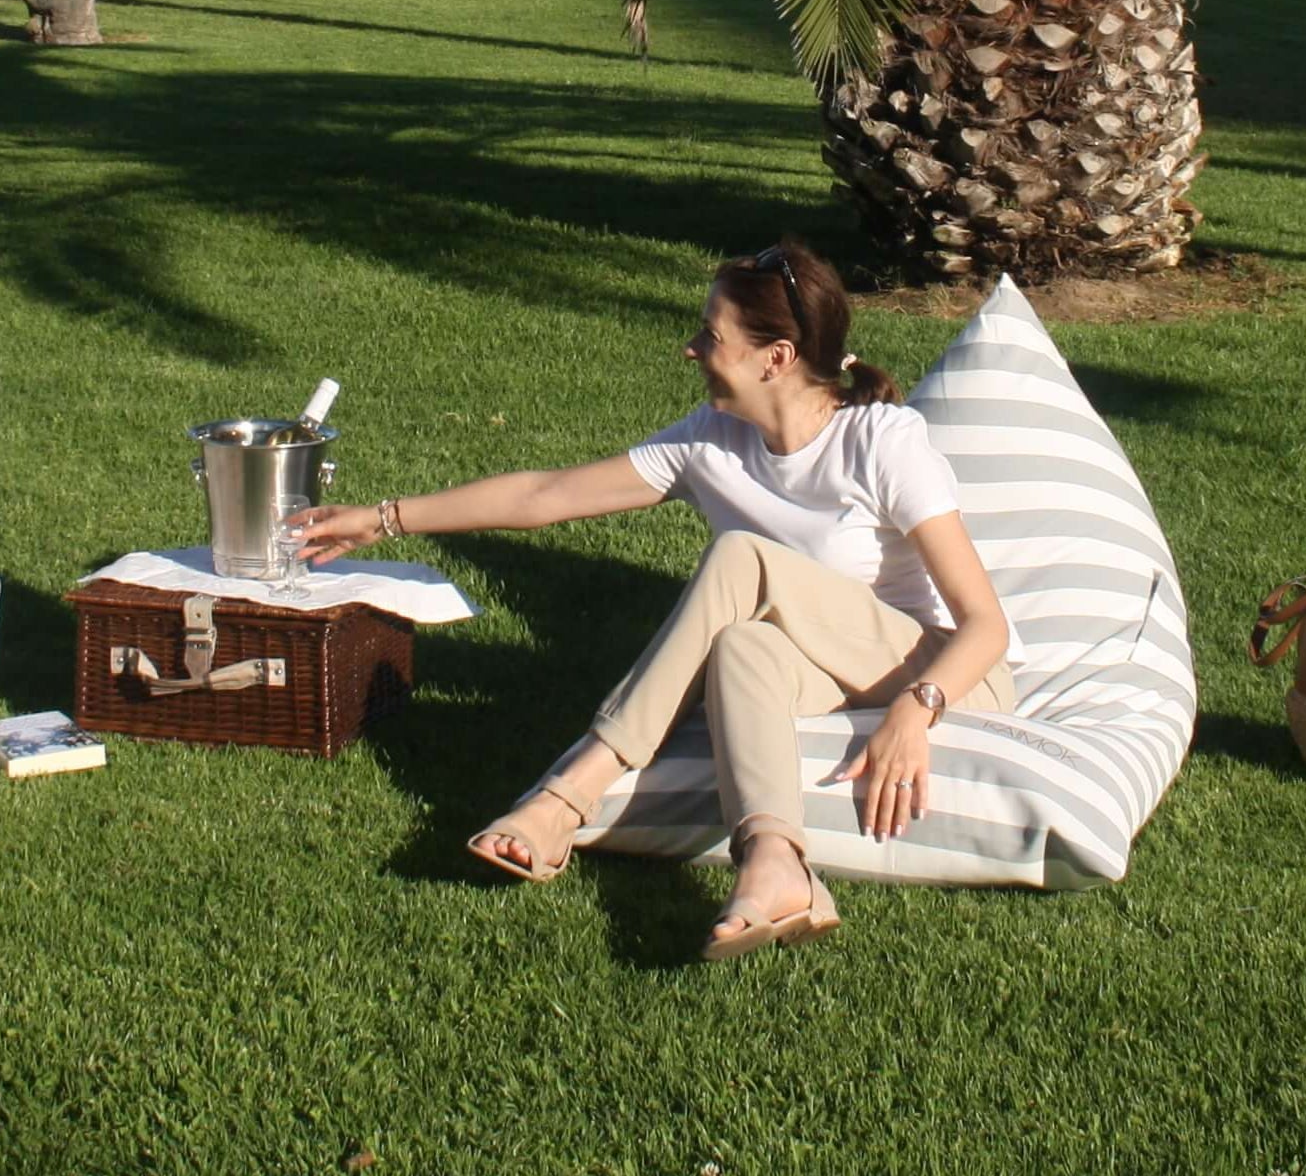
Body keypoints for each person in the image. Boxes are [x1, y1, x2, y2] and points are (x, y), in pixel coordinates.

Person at [290, 240, 1014, 962]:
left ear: (776, 358)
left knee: (742, 557)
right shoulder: (712, 440)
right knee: (742, 647)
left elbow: (985, 626)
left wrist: (915, 711)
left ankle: (569, 793)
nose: (690, 348)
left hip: (941, 671)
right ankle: (775, 863)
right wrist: (384, 518)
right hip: (820, 670)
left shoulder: (881, 442)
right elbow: (547, 495)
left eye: (711, 335)